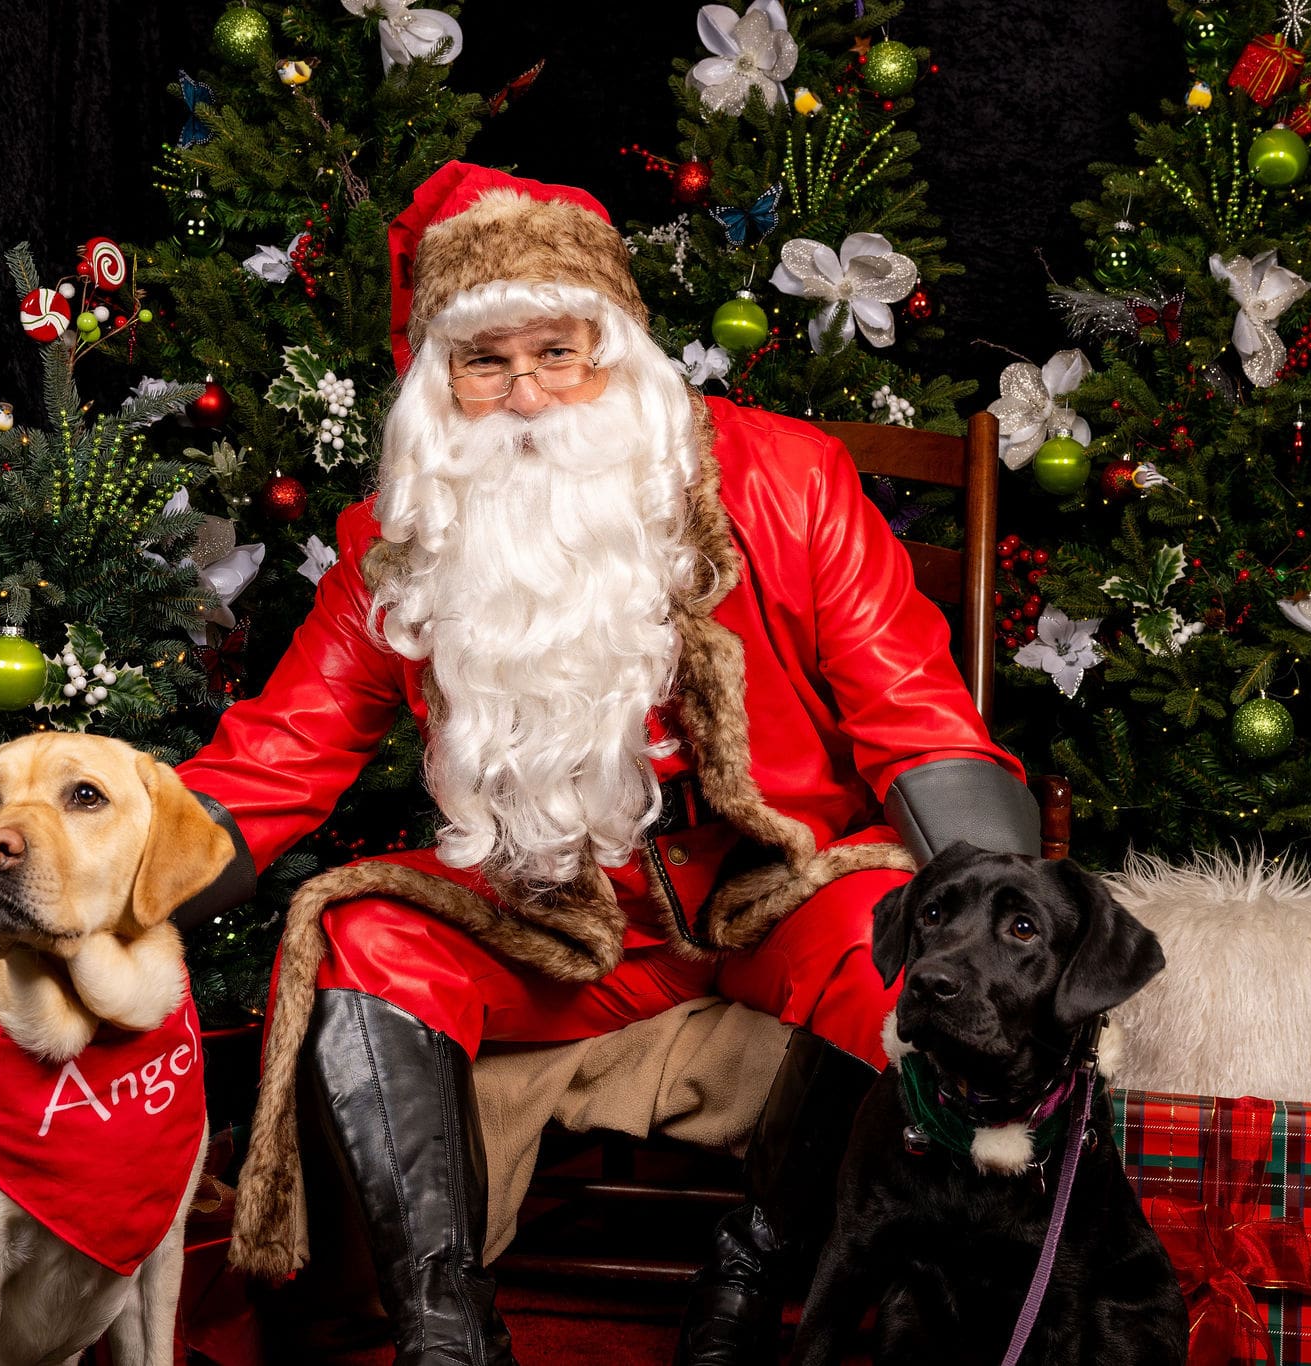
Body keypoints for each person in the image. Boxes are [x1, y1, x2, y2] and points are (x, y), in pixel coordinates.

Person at [174, 161, 1039, 1366]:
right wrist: (101, 876)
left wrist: (999, 901)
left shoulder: (788, 479)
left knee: (906, 951)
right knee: (364, 939)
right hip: (560, 913)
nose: (525, 393)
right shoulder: (402, 536)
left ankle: (751, 1275)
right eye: (485, 363)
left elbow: (916, 712)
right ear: (441, 384)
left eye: (556, 351)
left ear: (616, 348)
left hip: (771, 883)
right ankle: (442, 1327)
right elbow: (281, 750)